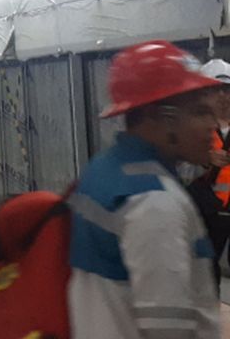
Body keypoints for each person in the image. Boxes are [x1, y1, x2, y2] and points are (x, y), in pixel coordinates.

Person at [69, 40, 222, 339]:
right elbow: (168, 330)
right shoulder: (154, 201)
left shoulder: (106, 168)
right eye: (200, 112)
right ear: (159, 115)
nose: (213, 126)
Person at [188, 59, 230, 287]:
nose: (222, 96)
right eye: (216, 89)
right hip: (207, 212)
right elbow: (179, 171)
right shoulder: (191, 127)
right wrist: (206, 160)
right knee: (206, 267)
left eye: (226, 89)